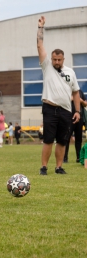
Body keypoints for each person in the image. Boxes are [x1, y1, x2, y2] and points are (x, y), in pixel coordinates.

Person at [37, 16, 80, 175]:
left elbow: (75, 92)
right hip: (49, 107)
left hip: (66, 110)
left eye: (58, 60)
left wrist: (77, 111)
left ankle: (59, 167)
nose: (56, 62)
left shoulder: (70, 72)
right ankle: (44, 167)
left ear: (63, 59)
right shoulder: (46, 66)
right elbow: (40, 46)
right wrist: (40, 28)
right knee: (48, 139)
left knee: (62, 140)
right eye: (54, 59)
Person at [64, 89, 87, 163]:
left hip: (79, 118)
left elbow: (85, 103)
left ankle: (79, 157)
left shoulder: (79, 91)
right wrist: (71, 99)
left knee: (78, 139)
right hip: (68, 118)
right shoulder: (65, 90)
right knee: (66, 138)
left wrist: (81, 101)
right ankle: (64, 158)